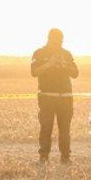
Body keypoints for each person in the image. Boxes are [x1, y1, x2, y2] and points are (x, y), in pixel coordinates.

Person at [30, 28, 79, 163]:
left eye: (61, 41)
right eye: (56, 40)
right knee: (46, 127)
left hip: (65, 97)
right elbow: (34, 72)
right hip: (47, 96)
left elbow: (75, 73)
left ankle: (65, 157)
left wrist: (64, 65)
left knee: (65, 129)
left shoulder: (66, 54)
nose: (59, 43)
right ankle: (44, 156)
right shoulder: (39, 53)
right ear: (49, 39)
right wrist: (49, 64)